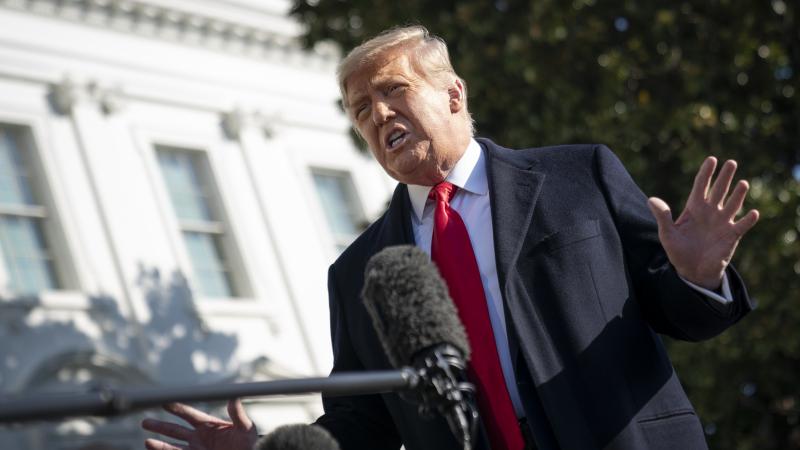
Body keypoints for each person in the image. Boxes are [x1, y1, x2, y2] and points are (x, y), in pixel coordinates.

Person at [141, 25, 759, 450]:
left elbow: (677, 314)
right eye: (362, 109)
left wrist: (696, 276)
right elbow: (367, 425)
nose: (379, 115)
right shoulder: (360, 272)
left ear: (453, 93)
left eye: (394, 91)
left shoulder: (579, 176)